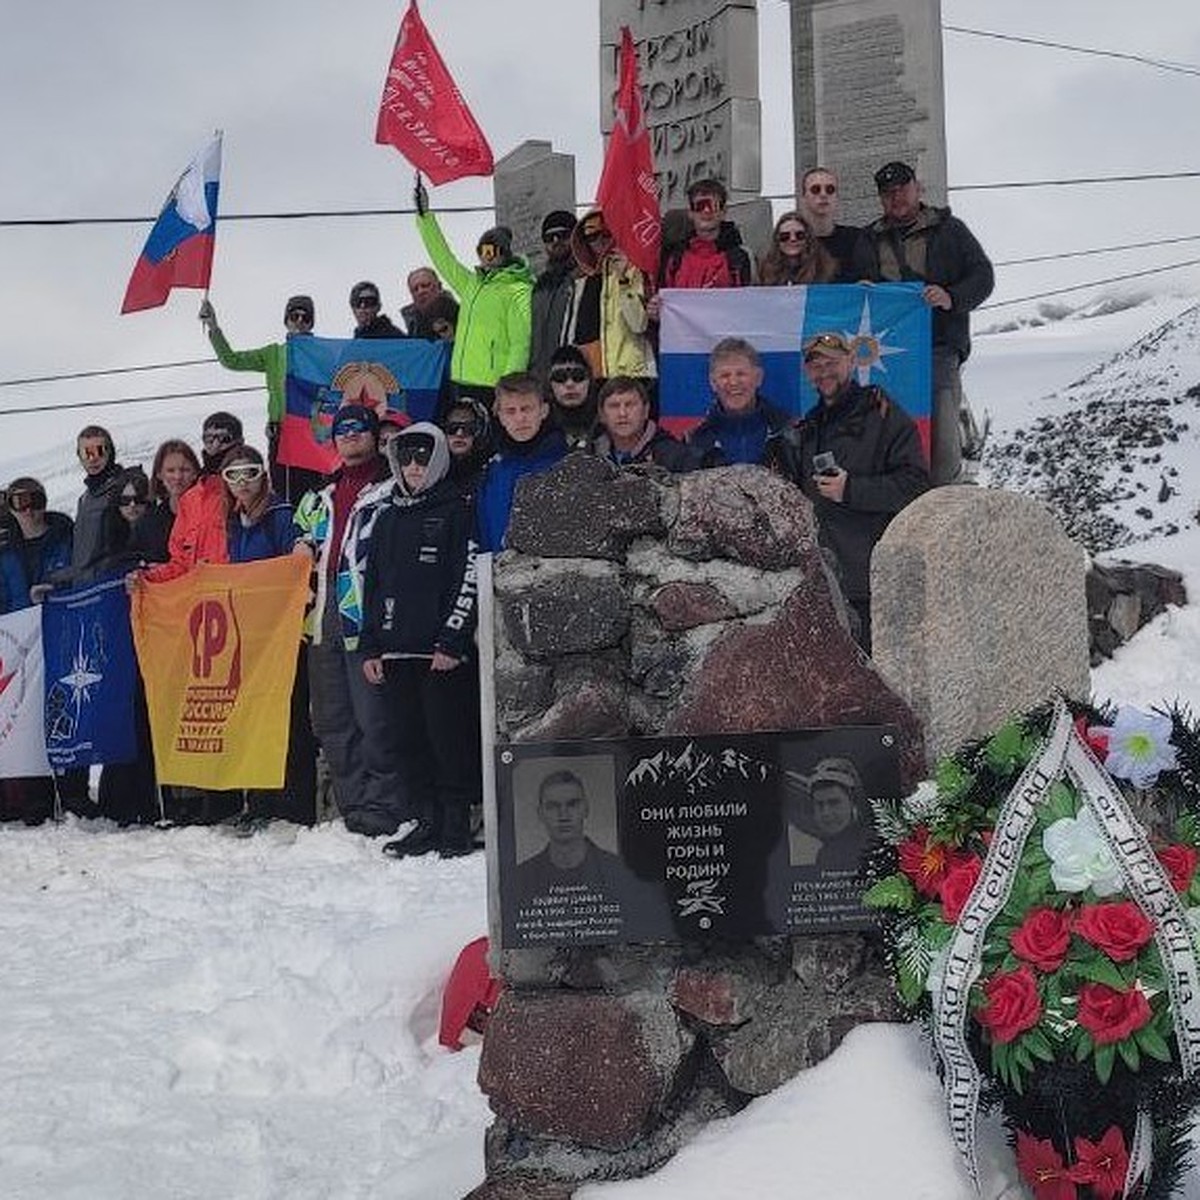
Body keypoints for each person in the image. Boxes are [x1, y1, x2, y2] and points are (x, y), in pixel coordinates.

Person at [359, 423, 480, 860]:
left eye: (423, 458)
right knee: (407, 741)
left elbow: (467, 576)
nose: (413, 467)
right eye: (406, 458)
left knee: (446, 740)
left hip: (439, 655)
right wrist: (369, 645)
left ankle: (455, 826)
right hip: (394, 651)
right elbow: (370, 584)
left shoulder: (458, 510)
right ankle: (425, 821)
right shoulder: (387, 516)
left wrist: (452, 638)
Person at [294, 404, 410, 837]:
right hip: (323, 615)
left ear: (372, 435)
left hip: (366, 611)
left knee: (375, 716)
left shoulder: (392, 487)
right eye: (343, 431)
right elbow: (301, 539)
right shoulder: (318, 496)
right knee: (332, 719)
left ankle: (389, 806)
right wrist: (301, 546)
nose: (350, 437)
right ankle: (354, 808)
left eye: (359, 430)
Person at [851, 160, 995, 485]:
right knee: (888, 440)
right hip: (886, 357)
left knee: (941, 439)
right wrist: (859, 290)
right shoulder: (868, 239)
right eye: (888, 193)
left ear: (918, 189)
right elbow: (851, 285)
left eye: (902, 189)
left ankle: (944, 507)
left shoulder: (950, 230)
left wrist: (951, 297)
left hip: (938, 350)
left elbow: (982, 276)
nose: (896, 197)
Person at [794, 331, 929, 652]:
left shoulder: (884, 416)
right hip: (821, 583)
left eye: (832, 362)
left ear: (852, 362)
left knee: (874, 681)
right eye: (816, 365)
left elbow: (917, 487)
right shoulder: (809, 427)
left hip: (870, 584)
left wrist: (852, 489)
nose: (824, 371)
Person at [215, 445, 316, 830]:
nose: (242, 483)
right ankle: (260, 802)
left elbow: (297, 570)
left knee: (288, 719)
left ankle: (294, 806)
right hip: (250, 638)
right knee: (254, 720)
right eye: (233, 475)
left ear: (264, 475)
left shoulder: (280, 516)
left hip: (283, 636)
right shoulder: (234, 522)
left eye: (250, 472)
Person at [414, 179, 534, 402]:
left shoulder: (519, 289)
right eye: (482, 251)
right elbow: (444, 260)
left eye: (493, 251)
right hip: (462, 380)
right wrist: (425, 218)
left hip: (493, 386)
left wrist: (509, 389)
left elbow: (521, 342)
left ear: (505, 253)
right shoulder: (472, 285)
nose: (487, 257)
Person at [198, 294, 323, 502]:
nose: (299, 321)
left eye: (305, 317)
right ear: (286, 321)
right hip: (280, 436)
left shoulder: (322, 354)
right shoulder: (273, 354)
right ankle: (286, 532)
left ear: (311, 322)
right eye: (294, 316)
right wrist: (213, 326)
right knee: (284, 496)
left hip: (312, 437)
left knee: (314, 496)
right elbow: (231, 360)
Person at [0, 478, 72, 826]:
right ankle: (21, 797)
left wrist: (56, 588)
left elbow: (76, 572)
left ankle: (61, 792)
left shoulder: (62, 534)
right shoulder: (5, 546)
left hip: (57, 633)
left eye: (34, 501)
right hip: (17, 640)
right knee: (17, 716)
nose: (28, 510)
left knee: (56, 712)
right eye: (19, 502)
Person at [510, 769, 655, 914]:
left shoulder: (618, 871)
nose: (563, 815)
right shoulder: (521, 878)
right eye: (553, 806)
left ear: (586, 808)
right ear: (540, 813)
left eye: (572, 804)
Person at [142, 412, 245, 584]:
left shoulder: (247, 488)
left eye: (224, 438)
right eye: (209, 439)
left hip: (237, 589)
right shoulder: (191, 499)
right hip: (200, 597)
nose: (216, 445)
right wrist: (149, 577)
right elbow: (181, 562)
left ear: (238, 443)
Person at [475, 373, 568, 553]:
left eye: (526, 409)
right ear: (500, 416)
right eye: (511, 411)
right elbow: (484, 535)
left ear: (543, 411)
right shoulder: (492, 471)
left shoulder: (565, 465)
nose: (519, 418)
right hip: (498, 573)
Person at [562, 210, 655, 386]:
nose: (600, 241)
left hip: (631, 373)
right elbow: (573, 332)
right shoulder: (580, 279)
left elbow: (638, 324)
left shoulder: (633, 269)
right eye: (591, 237)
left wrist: (623, 280)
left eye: (606, 233)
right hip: (593, 373)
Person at [687, 338, 798, 473]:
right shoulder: (695, 442)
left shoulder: (789, 433)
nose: (733, 382)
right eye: (725, 375)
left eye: (741, 374)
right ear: (713, 383)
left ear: (758, 378)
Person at [659, 179, 753, 291]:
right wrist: (656, 305)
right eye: (700, 206)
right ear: (690, 213)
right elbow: (663, 296)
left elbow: (749, 302)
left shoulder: (740, 257)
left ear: (723, 212)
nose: (706, 211)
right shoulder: (674, 257)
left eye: (713, 206)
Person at [782, 757, 871, 872]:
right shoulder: (825, 853)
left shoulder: (871, 845)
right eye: (819, 805)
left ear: (852, 802)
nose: (826, 813)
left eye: (834, 803)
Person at [591, 377, 696, 471]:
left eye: (630, 405)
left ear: (646, 411)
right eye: (614, 406)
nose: (622, 413)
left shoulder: (676, 458)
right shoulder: (590, 455)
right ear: (602, 415)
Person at [128, 439, 202, 564]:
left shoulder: (209, 515)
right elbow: (134, 561)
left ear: (195, 473)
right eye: (170, 470)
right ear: (159, 475)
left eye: (184, 470)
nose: (178, 477)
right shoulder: (148, 523)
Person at [68, 425, 125, 575]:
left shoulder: (125, 491)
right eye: (86, 453)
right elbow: (82, 561)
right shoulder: (84, 499)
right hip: (88, 587)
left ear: (110, 452)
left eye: (99, 451)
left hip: (112, 584)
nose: (93, 458)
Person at [530, 209, 578, 378]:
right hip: (540, 378)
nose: (556, 241)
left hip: (574, 378)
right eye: (549, 238)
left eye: (563, 235)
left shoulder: (586, 278)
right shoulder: (539, 285)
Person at [799, 167, 861, 283]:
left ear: (837, 197)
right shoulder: (792, 241)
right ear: (803, 198)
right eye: (815, 189)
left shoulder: (856, 239)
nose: (823, 194)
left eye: (830, 189)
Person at [757, 211, 836, 287]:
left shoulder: (825, 269)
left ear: (808, 238)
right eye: (785, 236)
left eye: (800, 235)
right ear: (777, 240)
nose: (793, 239)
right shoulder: (764, 271)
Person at [545, 345, 597, 450]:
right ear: (550, 385)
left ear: (590, 381)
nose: (569, 384)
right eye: (560, 377)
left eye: (578, 376)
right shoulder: (539, 427)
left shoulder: (608, 421)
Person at [439, 399, 492, 497]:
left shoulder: (492, 475)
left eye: (468, 428)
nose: (459, 434)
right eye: (452, 427)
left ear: (480, 431)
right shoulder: (433, 475)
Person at [400, 267, 450, 336]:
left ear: (439, 286)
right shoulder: (413, 329)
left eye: (425, 285)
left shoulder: (461, 315)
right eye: (415, 289)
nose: (420, 292)